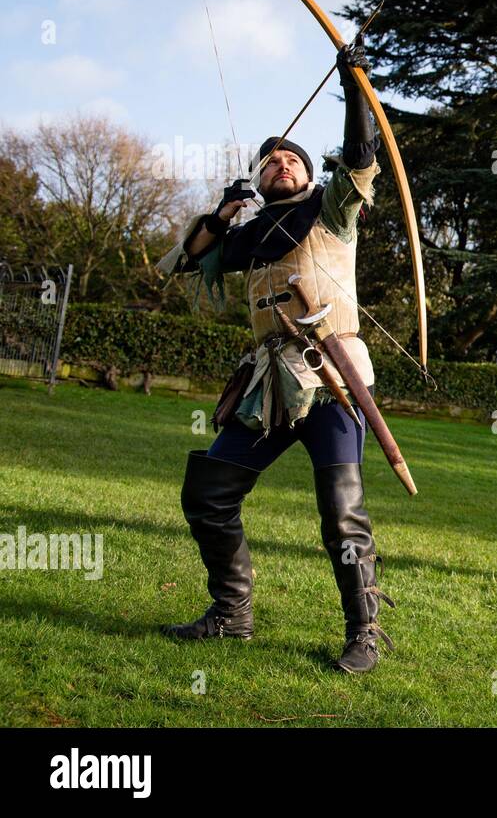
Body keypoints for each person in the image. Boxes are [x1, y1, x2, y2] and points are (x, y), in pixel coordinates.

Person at [155, 41, 397, 673]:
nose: (281, 165)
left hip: (333, 376)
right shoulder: (247, 235)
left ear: (311, 176)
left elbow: (363, 156)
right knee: (209, 493)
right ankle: (232, 616)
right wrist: (221, 211)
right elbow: (184, 261)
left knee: (342, 516)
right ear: (258, 181)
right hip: (268, 382)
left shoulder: (334, 211)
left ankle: (365, 632)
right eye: (270, 163)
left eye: (292, 159)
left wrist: (354, 88)